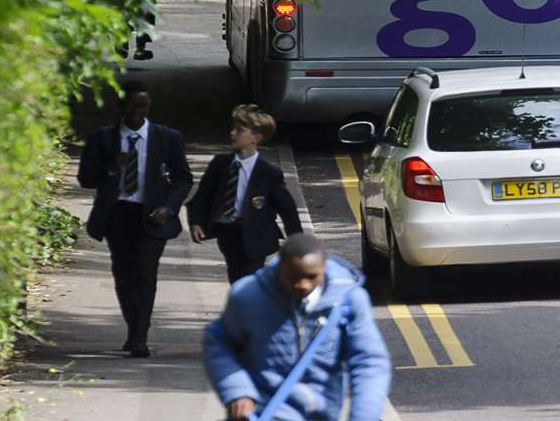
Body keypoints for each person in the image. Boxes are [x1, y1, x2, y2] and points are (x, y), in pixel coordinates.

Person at [204, 233, 391, 421]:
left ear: (324, 268)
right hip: (264, 412)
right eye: (293, 276)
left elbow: (369, 362)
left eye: (311, 276)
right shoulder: (247, 295)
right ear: (280, 268)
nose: (303, 284)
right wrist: (237, 391)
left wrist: (364, 415)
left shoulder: (349, 300)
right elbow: (218, 343)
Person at [77, 81, 193, 358]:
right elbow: (85, 178)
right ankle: (134, 326)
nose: (136, 111)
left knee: (145, 273)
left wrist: (170, 206)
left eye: (142, 105)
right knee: (123, 273)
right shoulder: (103, 138)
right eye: (131, 105)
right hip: (117, 214)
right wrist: (110, 169)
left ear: (149, 107)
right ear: (121, 106)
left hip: (152, 216)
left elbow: (183, 177)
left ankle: (139, 335)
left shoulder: (167, 137)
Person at [189, 104, 303, 282]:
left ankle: (250, 306)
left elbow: (288, 210)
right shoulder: (221, 164)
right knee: (235, 276)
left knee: (249, 280)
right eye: (233, 129)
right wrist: (196, 221)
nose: (232, 133)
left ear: (255, 138)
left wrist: (297, 243)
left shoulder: (268, 173)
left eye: (239, 130)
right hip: (228, 234)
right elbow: (203, 194)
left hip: (256, 237)